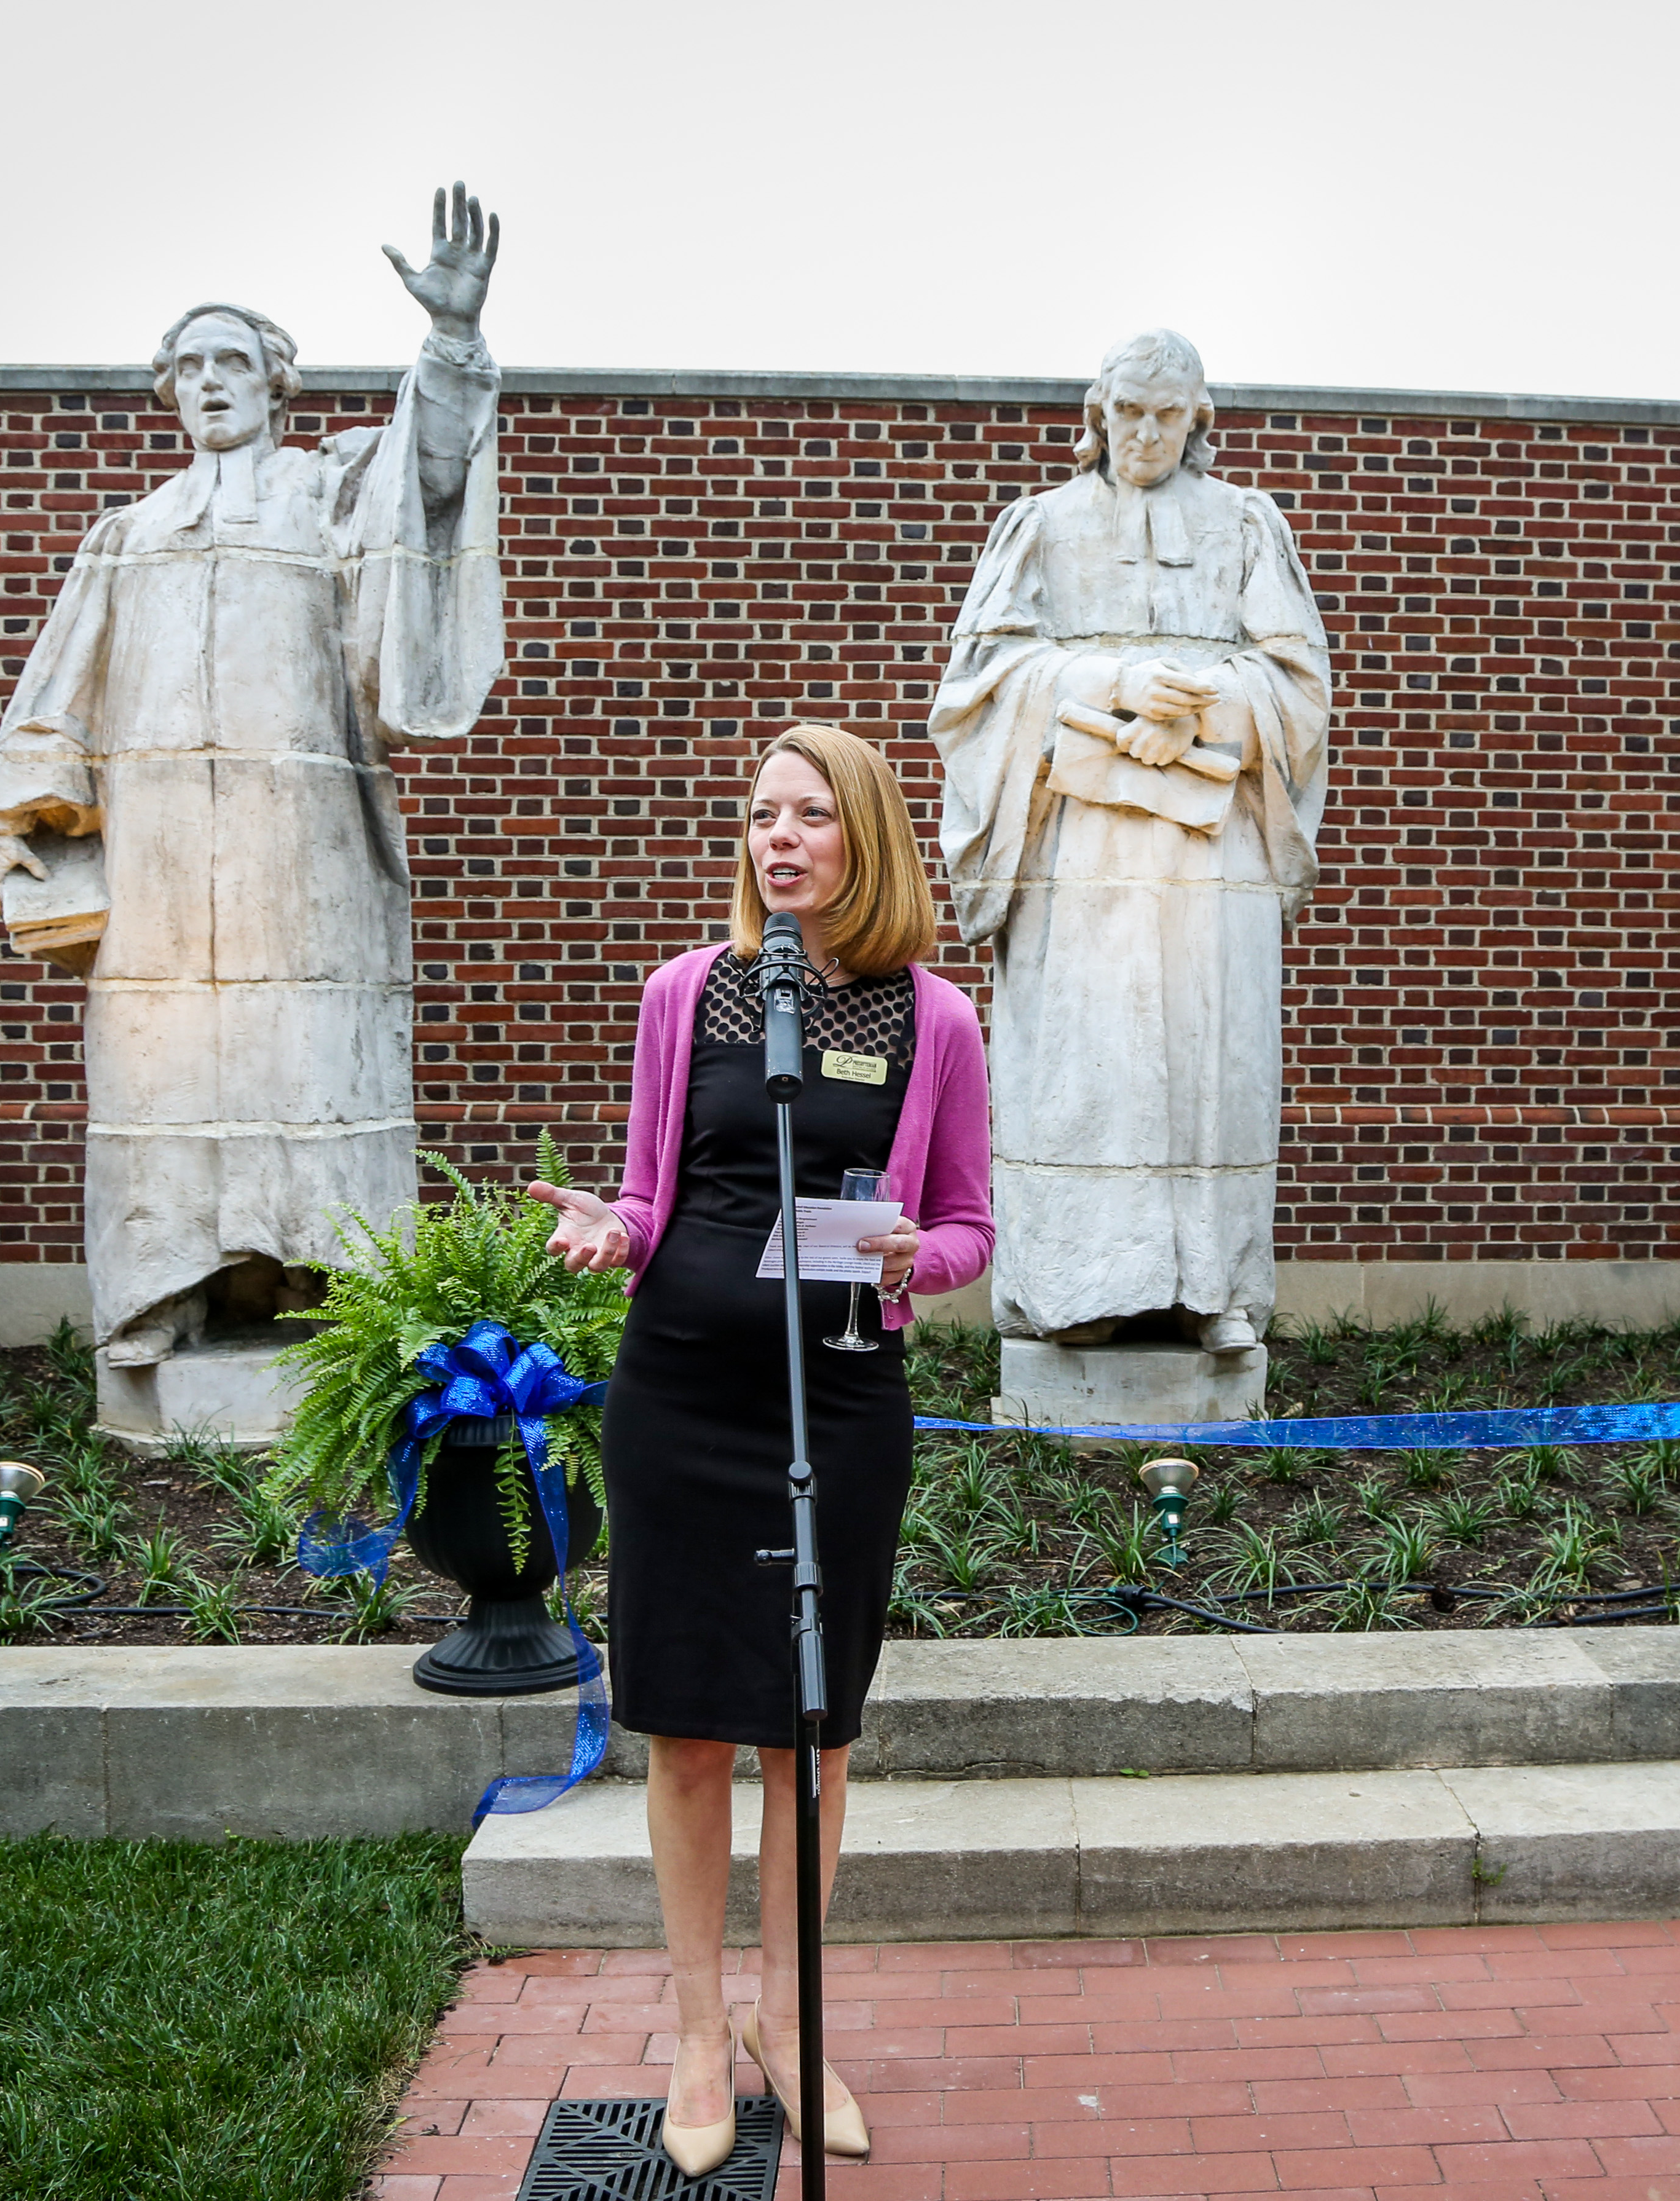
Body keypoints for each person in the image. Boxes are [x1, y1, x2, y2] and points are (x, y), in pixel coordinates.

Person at [527, 724, 992, 2175]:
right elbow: (654, 1193)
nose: (775, 839)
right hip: (681, 1399)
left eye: (807, 816)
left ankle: (792, 2028)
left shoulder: (937, 1021)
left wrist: (922, 1256)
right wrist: (612, 1231)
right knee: (686, 1732)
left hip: (838, 1407)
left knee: (812, 1736)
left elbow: (971, 1223)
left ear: (864, 837)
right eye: (758, 817)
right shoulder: (687, 993)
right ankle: (692, 2027)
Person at [0, 185, 506, 1377]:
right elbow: (59, 695)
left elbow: (436, 479)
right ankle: (168, 1285)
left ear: (274, 384)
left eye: (233, 362)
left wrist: (451, 344)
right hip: (159, 884)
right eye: (190, 365)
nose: (210, 382)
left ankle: (333, 1286)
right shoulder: (129, 534)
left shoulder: (328, 497)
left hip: (308, 863)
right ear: (171, 390)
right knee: (167, 1082)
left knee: (308, 1065)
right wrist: (10, 829)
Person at [925, 328, 1331, 1352]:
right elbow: (975, 688)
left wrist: (1201, 709)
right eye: (1128, 411)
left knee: (1212, 1059)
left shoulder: (1246, 526)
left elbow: (1299, 685)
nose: (1144, 434)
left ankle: (1213, 1290)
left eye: (1167, 415)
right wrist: (1113, 686)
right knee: (1089, 1061)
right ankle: (1076, 1290)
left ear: (1198, 421)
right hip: (1083, 854)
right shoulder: (1041, 526)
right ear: (1097, 410)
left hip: (1211, 856)